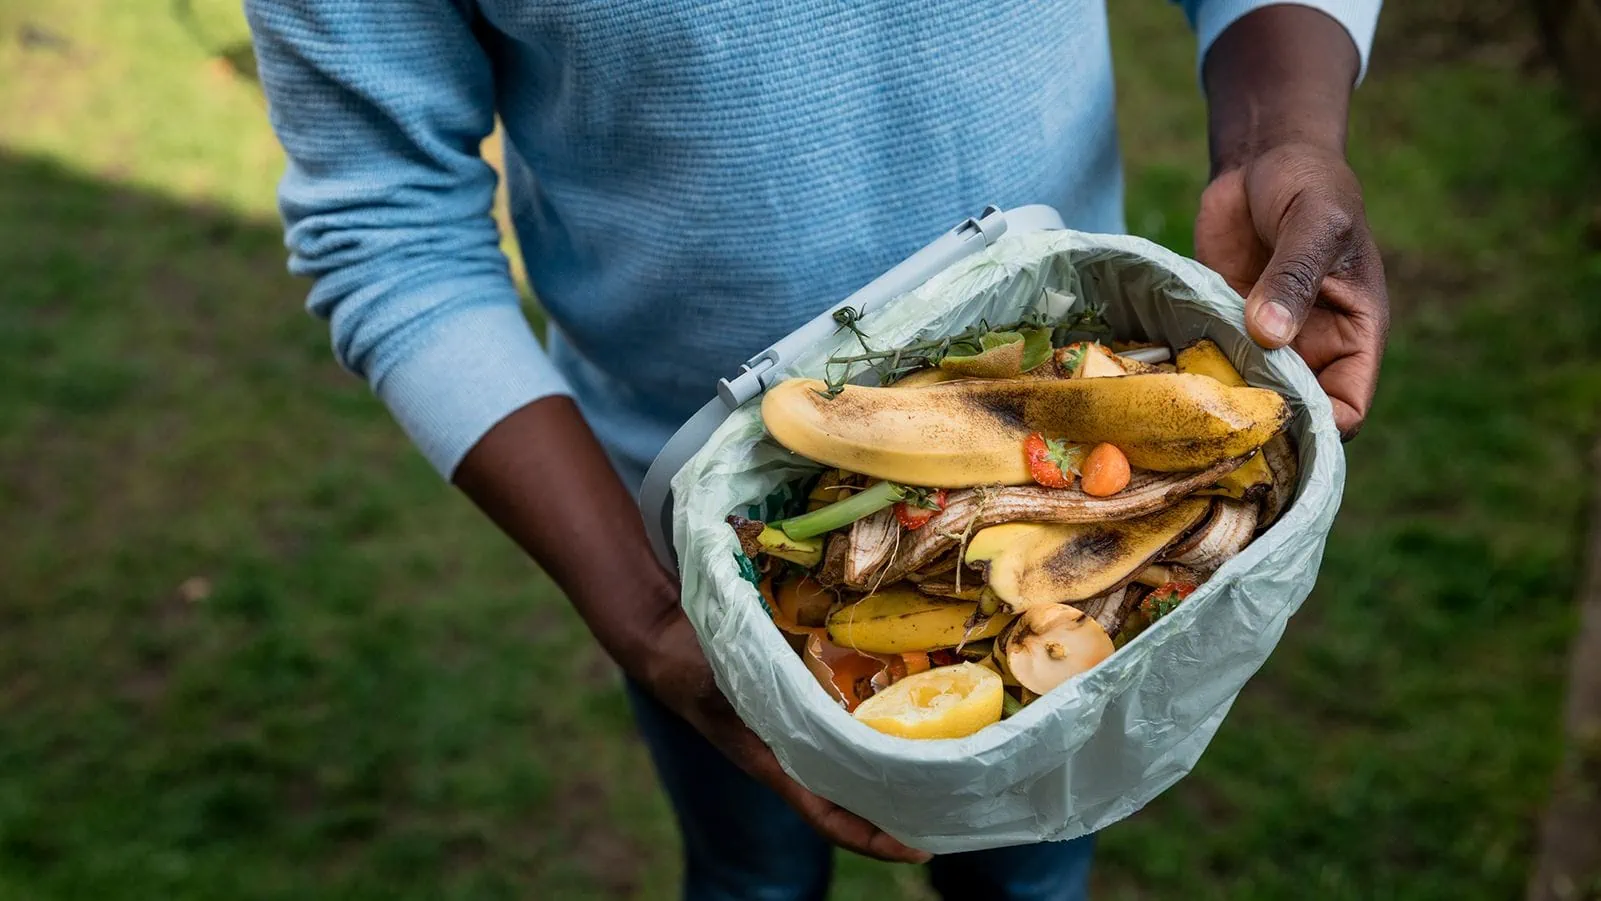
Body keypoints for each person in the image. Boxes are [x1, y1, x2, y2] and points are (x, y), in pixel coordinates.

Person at [245, 1, 1388, 897]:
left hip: (1081, 418)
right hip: (694, 550)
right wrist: (646, 616)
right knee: (752, 873)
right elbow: (386, 231)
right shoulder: (676, 587)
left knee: (1032, 867)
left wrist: (1273, 139)